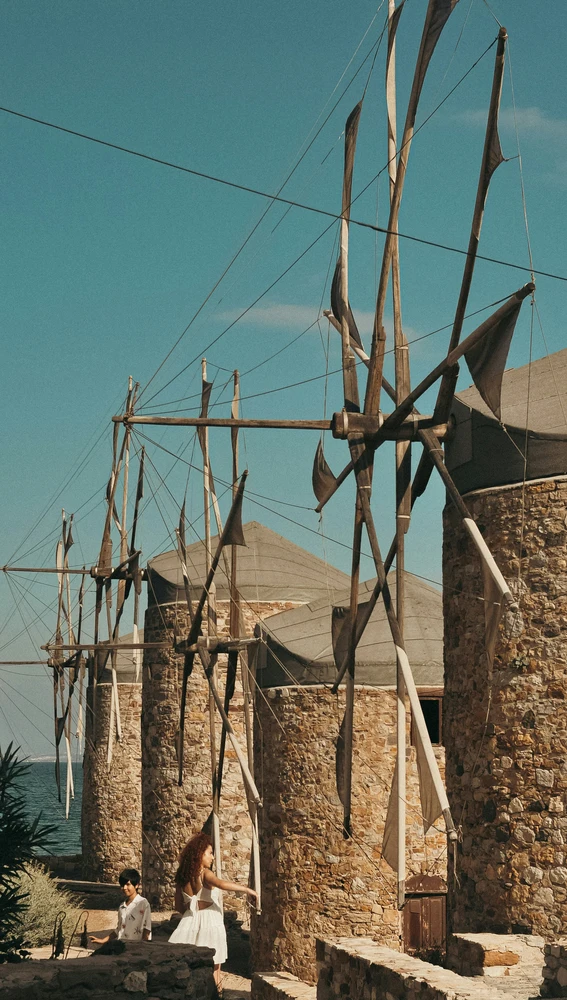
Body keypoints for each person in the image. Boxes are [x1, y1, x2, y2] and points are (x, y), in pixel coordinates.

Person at [169, 832, 257, 985]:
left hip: (189, 921)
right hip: (210, 922)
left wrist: (192, 915)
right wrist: (248, 890)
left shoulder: (182, 877)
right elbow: (221, 884)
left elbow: (178, 906)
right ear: (200, 853)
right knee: (215, 969)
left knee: (187, 966)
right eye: (210, 853)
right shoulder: (204, 874)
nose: (213, 857)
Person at [91, 868, 151, 944]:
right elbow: (119, 929)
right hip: (122, 947)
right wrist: (103, 940)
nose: (124, 888)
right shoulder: (122, 906)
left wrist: (143, 948)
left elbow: (147, 928)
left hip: (135, 948)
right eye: (122, 885)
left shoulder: (143, 903)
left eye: (128, 884)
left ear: (136, 885)